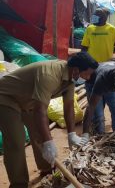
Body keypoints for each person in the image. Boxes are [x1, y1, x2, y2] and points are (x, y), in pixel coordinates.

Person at [0, 52, 98, 187]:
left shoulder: (70, 80)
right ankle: (19, 183)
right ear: (76, 70)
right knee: (17, 140)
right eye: (87, 74)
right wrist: (49, 142)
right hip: (6, 97)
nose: (88, 78)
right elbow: (41, 110)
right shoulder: (49, 74)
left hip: (28, 101)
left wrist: (71, 134)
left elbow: (68, 107)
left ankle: (47, 169)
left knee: (40, 134)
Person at [81, 8, 115, 133]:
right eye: (94, 14)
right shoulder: (90, 29)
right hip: (92, 72)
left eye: (98, 15)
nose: (95, 16)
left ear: (105, 17)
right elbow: (84, 47)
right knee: (96, 108)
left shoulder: (111, 29)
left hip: (109, 72)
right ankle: (99, 133)